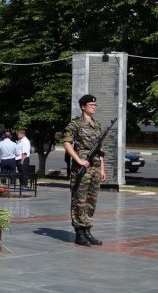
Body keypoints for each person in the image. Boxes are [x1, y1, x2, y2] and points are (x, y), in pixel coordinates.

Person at [63, 94, 106, 247]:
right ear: (83, 107)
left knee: (91, 200)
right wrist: (78, 160)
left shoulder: (97, 125)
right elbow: (67, 144)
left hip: (94, 168)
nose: (94, 107)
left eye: (95, 105)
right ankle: (79, 233)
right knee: (79, 200)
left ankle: (87, 230)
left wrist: (102, 168)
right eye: (91, 105)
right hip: (82, 168)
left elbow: (100, 150)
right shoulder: (75, 124)